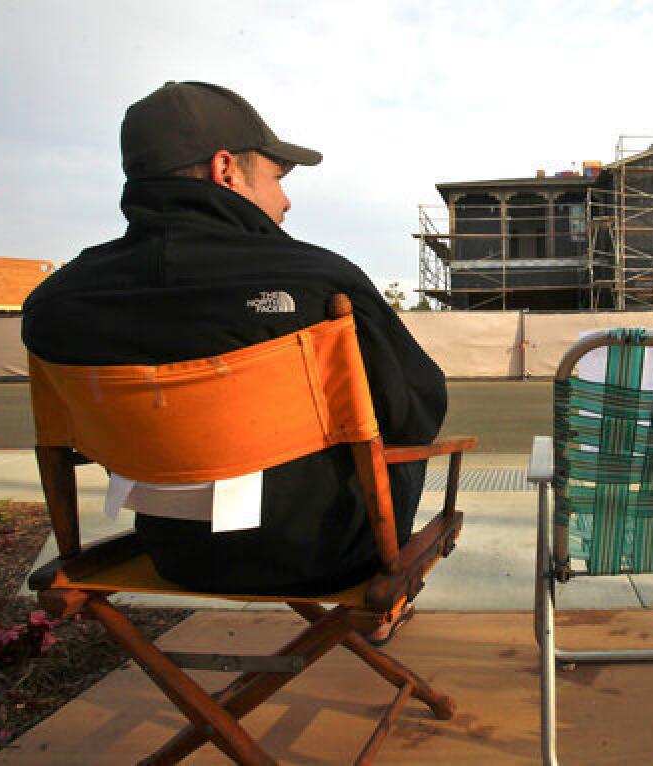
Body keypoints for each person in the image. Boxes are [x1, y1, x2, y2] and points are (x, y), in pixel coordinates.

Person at [22, 81, 445, 642]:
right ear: (226, 170)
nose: (287, 201)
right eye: (275, 178)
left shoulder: (54, 304)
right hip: (326, 555)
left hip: (172, 553)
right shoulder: (319, 282)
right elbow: (417, 407)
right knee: (399, 428)